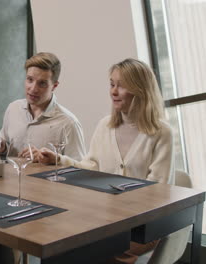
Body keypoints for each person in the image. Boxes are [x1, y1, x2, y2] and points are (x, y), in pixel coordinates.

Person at [39, 58, 174, 263]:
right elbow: (91, 167)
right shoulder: (105, 126)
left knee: (86, 250)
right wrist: (59, 159)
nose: (113, 91)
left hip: (143, 227)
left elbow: (158, 190)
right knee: (57, 244)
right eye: (112, 84)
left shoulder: (162, 132)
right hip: (105, 220)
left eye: (122, 85)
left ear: (140, 88)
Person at [0, 52, 86, 161]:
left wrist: (50, 160)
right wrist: (1, 147)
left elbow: (79, 169)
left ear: (54, 86)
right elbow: (7, 144)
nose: (33, 88)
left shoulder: (68, 123)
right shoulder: (13, 109)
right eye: (30, 79)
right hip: (10, 177)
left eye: (42, 83)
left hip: (44, 179)